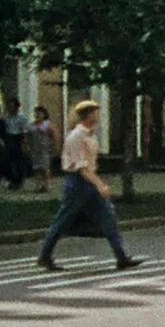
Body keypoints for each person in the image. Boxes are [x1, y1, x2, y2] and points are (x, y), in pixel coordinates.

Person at [38, 99, 139, 272]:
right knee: (62, 220)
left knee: (108, 218)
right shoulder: (77, 136)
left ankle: (122, 257)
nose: (98, 115)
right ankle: (44, 256)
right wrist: (100, 184)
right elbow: (81, 167)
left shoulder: (90, 134)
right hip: (77, 183)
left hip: (88, 181)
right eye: (95, 112)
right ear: (88, 115)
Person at [26, 107, 57, 192]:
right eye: (36, 113)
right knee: (36, 168)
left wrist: (54, 147)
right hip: (35, 149)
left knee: (45, 168)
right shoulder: (31, 125)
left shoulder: (47, 124)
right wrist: (28, 146)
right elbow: (28, 136)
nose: (38, 115)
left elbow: (53, 136)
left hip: (45, 149)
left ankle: (46, 185)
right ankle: (38, 185)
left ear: (44, 114)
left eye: (40, 113)